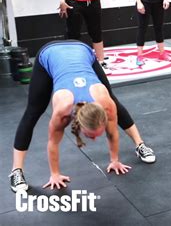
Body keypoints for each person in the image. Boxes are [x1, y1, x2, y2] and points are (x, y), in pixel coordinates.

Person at [9, 40, 156, 192]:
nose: (93, 139)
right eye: (91, 136)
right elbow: (53, 142)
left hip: (81, 50)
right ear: (78, 124)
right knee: (33, 111)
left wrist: (115, 161)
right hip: (50, 53)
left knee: (114, 101)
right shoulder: (62, 110)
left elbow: (112, 133)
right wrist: (55, 174)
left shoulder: (105, 104)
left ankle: (140, 145)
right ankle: (16, 171)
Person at [58, 0, 110, 73]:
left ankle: (101, 62)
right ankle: (75, 65)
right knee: (73, 34)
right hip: (73, 0)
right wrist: (62, 0)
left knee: (96, 32)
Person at [129, 0, 171, 66]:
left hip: (158, 0)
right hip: (144, 1)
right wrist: (139, 2)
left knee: (159, 27)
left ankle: (162, 53)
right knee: (142, 28)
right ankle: (139, 55)